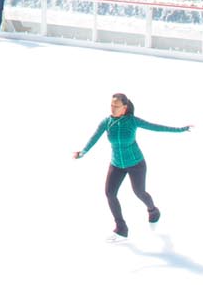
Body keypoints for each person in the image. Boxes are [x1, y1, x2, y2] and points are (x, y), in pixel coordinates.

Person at [72, 92, 191, 237]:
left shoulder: (132, 121)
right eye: (111, 105)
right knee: (110, 193)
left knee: (139, 192)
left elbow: (156, 127)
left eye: (116, 106)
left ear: (125, 107)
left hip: (136, 164)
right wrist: (83, 152)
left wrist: (180, 129)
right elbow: (94, 137)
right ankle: (121, 227)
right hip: (116, 164)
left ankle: (153, 210)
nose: (113, 108)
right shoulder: (106, 122)